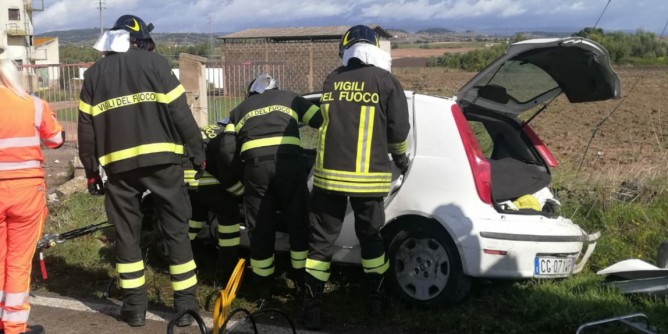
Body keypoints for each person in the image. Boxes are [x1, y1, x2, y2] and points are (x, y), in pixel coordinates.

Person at [77, 14, 205, 328]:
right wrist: (198, 152)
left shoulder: (94, 76)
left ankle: (134, 308)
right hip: (164, 164)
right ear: (141, 39)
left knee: (126, 235)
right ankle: (186, 307)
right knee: (176, 230)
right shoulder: (157, 65)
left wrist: (92, 172)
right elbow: (181, 114)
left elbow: (86, 130)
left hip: (118, 170)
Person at [300, 25, 410, 330]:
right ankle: (377, 302)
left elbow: (325, 120)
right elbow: (399, 131)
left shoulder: (333, 79)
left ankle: (311, 308)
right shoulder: (386, 82)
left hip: (328, 179)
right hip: (369, 181)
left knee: (320, 244)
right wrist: (401, 159)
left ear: (346, 49)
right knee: (372, 239)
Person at [227, 74, 322, 303]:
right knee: (298, 223)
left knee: (260, 230)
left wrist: (239, 181)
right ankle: (301, 284)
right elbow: (320, 120)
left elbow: (225, 150)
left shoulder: (239, 109)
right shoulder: (291, 98)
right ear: (275, 88)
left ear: (252, 93)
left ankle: (264, 293)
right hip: (289, 166)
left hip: (256, 170)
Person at [0, 46, 64, 334]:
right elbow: (56, 139)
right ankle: (14, 327)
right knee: (18, 261)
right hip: (26, 193)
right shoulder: (32, 104)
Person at [183, 121, 244, 283]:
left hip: (186, 181)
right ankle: (224, 277)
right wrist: (239, 193)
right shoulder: (228, 136)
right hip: (206, 181)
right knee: (229, 220)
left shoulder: (210, 128)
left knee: (194, 220)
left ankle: (185, 265)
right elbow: (226, 167)